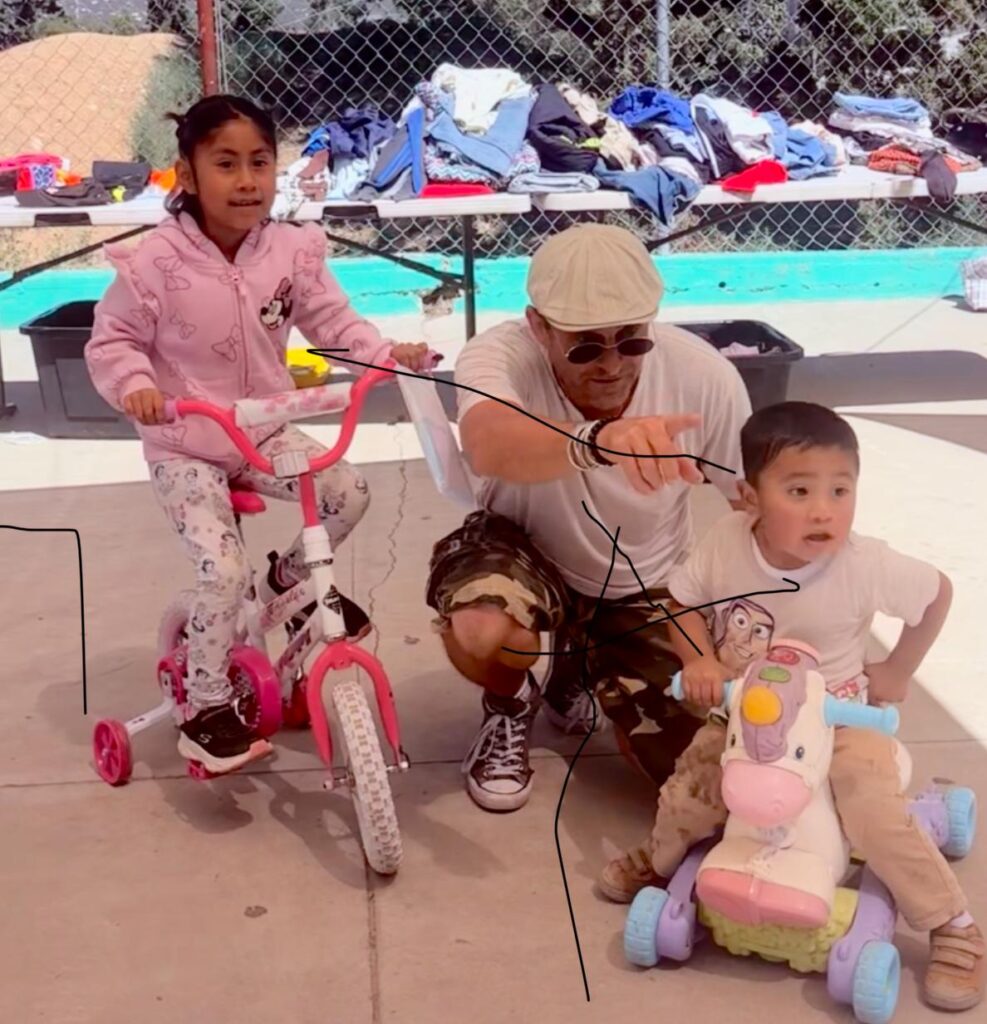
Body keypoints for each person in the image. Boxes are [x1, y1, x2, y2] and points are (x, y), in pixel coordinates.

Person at [85, 95, 431, 776]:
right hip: (187, 442)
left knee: (347, 493)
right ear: (186, 174)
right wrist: (136, 388)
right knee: (223, 572)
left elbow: (334, 321)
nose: (247, 181)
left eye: (260, 162)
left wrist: (384, 355)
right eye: (226, 164)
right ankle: (206, 706)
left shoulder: (289, 252)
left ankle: (290, 579)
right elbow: (113, 340)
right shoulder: (154, 263)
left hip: (263, 431)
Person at [599, 402, 983, 1012]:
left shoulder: (866, 564)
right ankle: (662, 860)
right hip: (751, 714)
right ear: (749, 496)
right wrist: (699, 660)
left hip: (839, 715)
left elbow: (936, 595)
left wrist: (899, 669)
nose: (823, 509)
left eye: (840, 489)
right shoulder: (727, 544)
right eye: (799, 490)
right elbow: (683, 601)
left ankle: (952, 924)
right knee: (693, 786)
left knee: (870, 806)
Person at [424, 223, 753, 812]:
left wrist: (758, 629)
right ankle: (508, 706)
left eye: (631, 341)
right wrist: (598, 442)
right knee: (482, 626)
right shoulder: (498, 354)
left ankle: (579, 665)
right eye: (584, 345)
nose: (610, 364)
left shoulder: (706, 378)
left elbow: (752, 509)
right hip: (526, 550)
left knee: (692, 775)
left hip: (643, 582)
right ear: (539, 327)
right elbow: (488, 444)